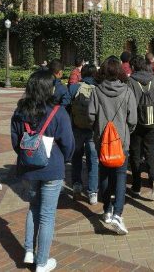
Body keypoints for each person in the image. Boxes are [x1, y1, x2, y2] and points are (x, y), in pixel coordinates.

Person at [11, 70, 75, 272]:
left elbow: (15, 142)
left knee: (33, 207)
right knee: (47, 215)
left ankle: (29, 250)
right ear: (49, 88)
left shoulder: (20, 111)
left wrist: (27, 156)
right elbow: (68, 144)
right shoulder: (58, 111)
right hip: (52, 168)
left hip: (28, 169)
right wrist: (64, 159)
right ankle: (42, 262)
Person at [88, 57, 137, 235]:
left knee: (105, 175)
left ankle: (107, 210)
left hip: (102, 141)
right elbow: (132, 120)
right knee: (121, 176)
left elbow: (91, 115)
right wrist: (125, 133)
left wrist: (99, 129)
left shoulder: (96, 91)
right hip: (121, 143)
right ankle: (118, 213)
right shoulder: (127, 91)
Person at [127, 55, 154, 199]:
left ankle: (136, 186)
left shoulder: (130, 81)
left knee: (135, 154)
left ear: (133, 67)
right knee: (150, 152)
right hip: (152, 120)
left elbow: (128, 103)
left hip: (136, 122)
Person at [68, 64, 98, 204]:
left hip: (77, 128)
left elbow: (68, 105)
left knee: (77, 157)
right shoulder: (98, 88)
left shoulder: (75, 87)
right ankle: (92, 192)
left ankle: (76, 185)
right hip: (92, 129)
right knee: (93, 160)